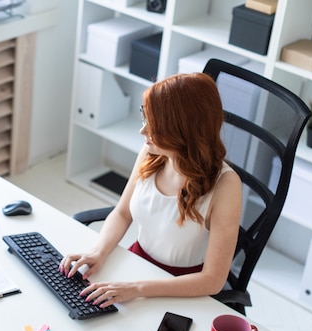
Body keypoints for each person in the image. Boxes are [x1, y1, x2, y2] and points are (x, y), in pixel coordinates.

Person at [59, 72, 242, 308]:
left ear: (181, 132)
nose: (143, 132)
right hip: (137, 264)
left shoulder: (226, 186)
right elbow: (122, 213)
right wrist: (98, 252)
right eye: (145, 119)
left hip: (180, 286)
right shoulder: (152, 154)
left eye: (154, 126)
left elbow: (213, 281)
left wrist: (136, 288)